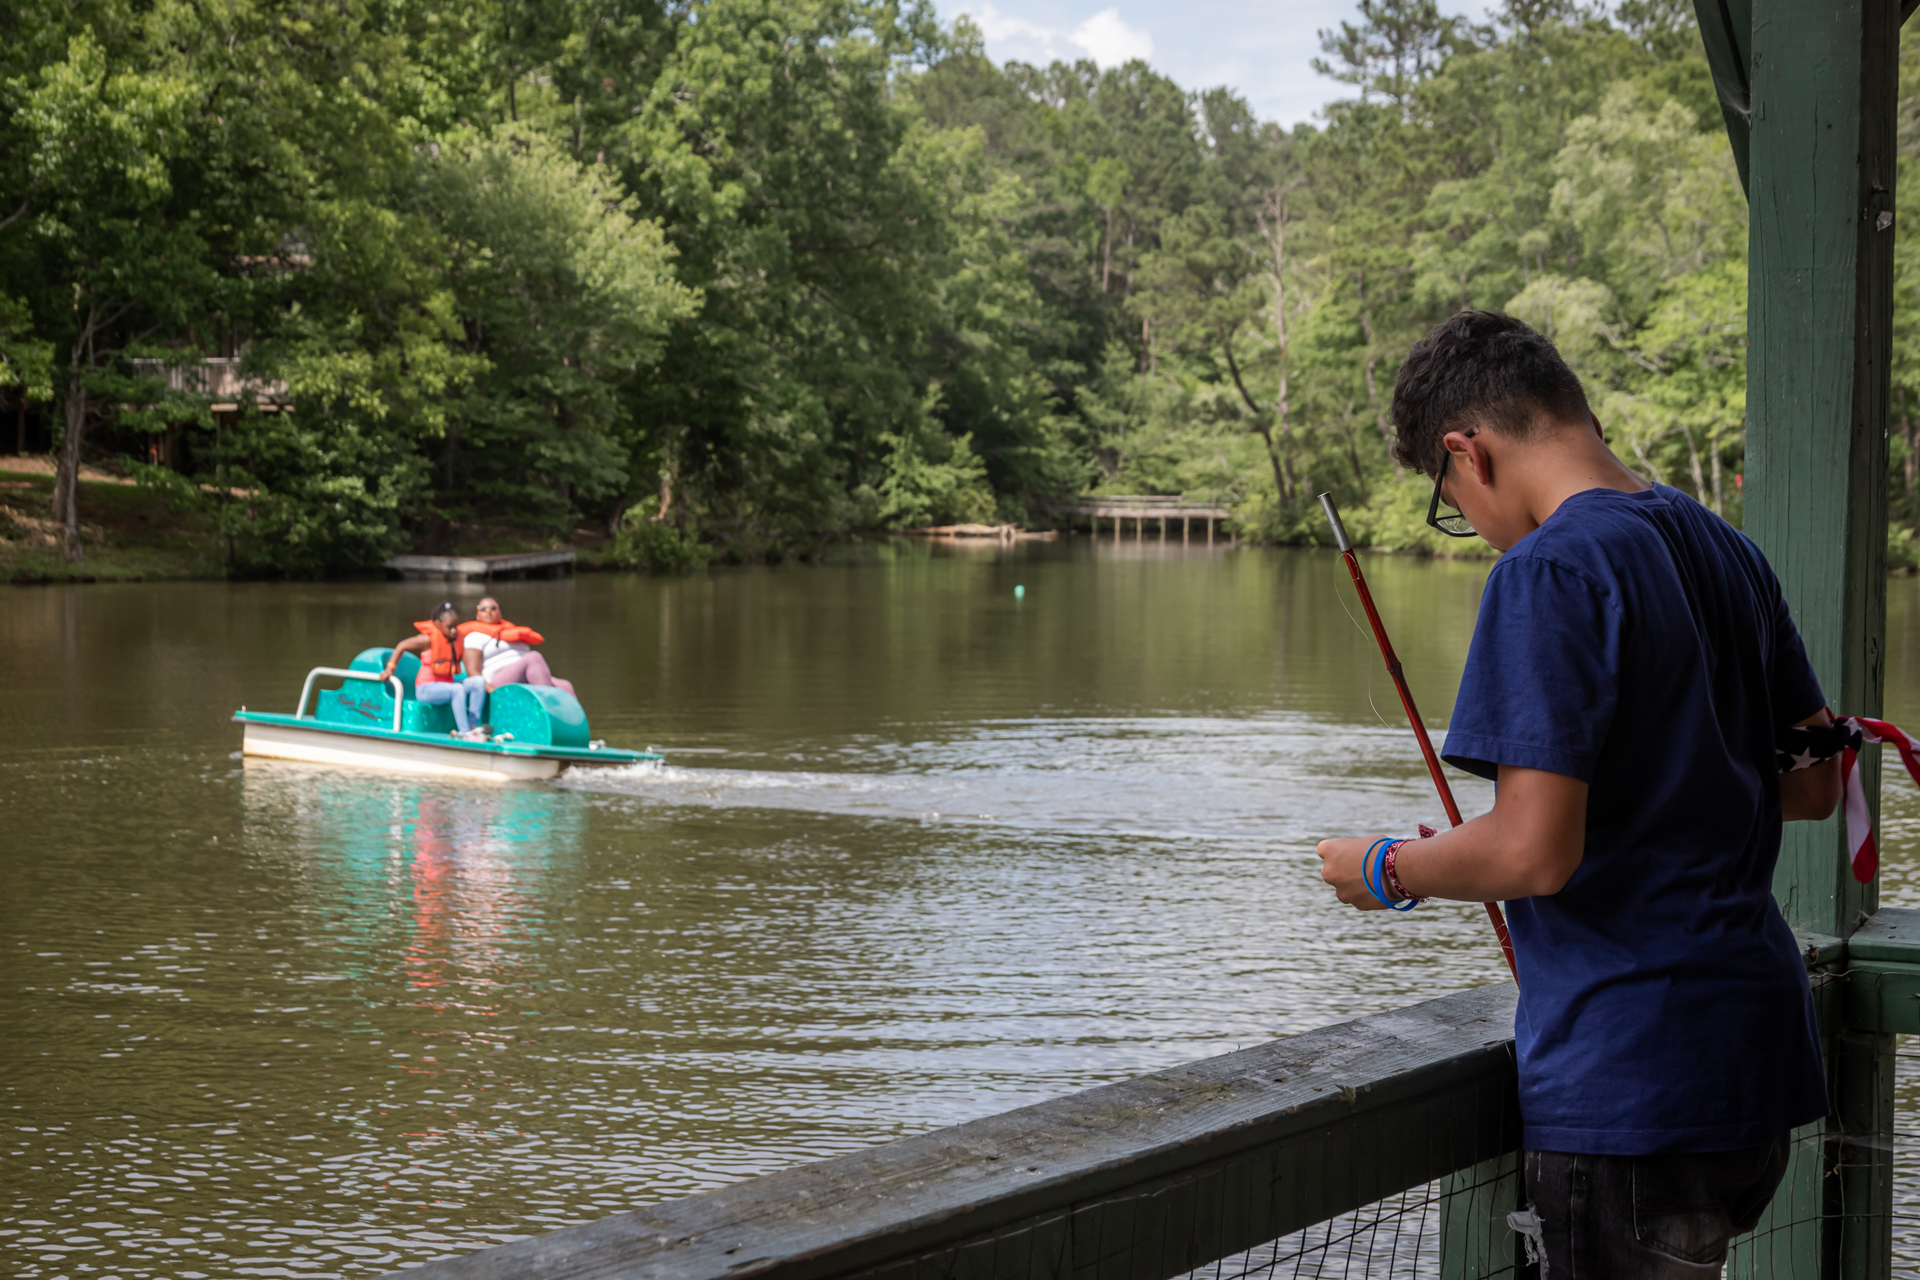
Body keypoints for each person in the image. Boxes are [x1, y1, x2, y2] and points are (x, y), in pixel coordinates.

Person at [1315, 311, 1842, 1278]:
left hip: (1633, 1083)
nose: (1468, 527)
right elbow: (1818, 788)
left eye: (1447, 502)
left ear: (1465, 452)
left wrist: (1388, 868)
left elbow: (1531, 854)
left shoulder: (1549, 570)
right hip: (1755, 1067)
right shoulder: (1726, 549)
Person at [379, 603, 489, 740]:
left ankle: (473, 726)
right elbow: (402, 646)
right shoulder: (427, 639)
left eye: (456, 626)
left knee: (477, 682)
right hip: (426, 689)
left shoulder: (455, 640)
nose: (454, 631)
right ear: (437, 624)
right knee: (457, 689)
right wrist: (390, 668)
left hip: (448, 685)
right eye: (450, 627)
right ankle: (464, 732)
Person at [462, 596, 575, 696]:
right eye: (482, 609)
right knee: (533, 657)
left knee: (565, 686)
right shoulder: (474, 637)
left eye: (493, 608)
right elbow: (472, 671)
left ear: (500, 613)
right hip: (497, 679)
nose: (488, 611)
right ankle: (548, 702)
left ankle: (574, 719)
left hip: (527, 674)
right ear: (477, 615)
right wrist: (490, 689)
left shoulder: (511, 632)